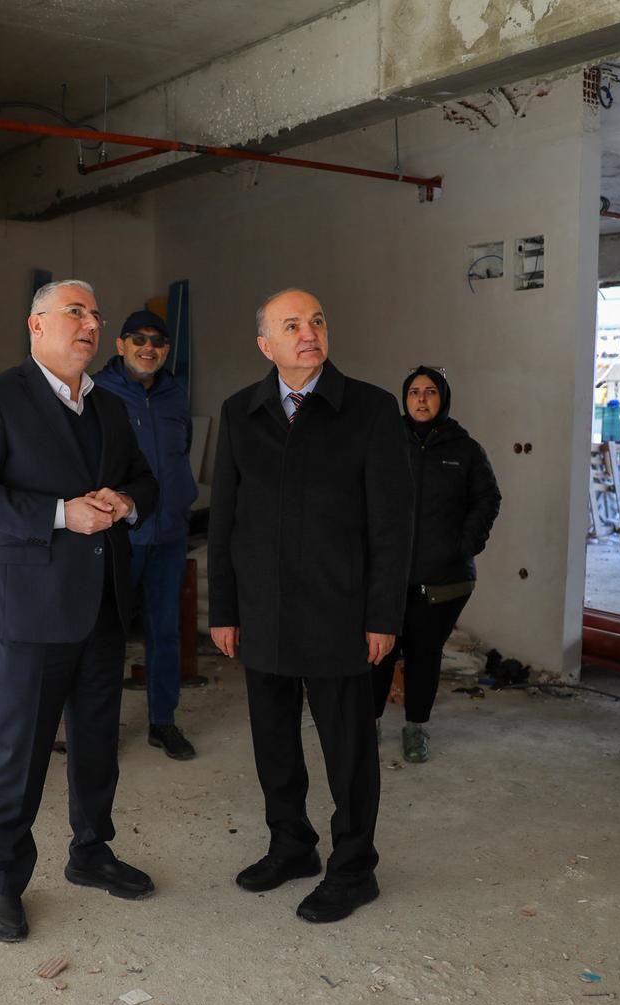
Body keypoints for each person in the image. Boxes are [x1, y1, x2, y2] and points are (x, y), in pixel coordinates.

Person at [0, 280, 160, 943]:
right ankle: (4, 878)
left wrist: (127, 502)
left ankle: (90, 852)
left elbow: (145, 481)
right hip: (31, 607)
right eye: (75, 311)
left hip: (102, 604)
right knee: (23, 751)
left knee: (96, 744)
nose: (89, 322)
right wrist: (61, 514)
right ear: (36, 325)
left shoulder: (110, 405)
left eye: (94, 314)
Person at [208, 288, 412, 923]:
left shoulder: (371, 410)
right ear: (265, 345)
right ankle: (291, 845)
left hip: (340, 613)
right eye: (292, 324)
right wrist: (224, 609)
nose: (309, 333)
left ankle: (354, 868)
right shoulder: (241, 413)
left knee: (348, 750)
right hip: (262, 612)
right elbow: (224, 520)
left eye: (317, 321)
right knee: (273, 741)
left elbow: (392, 526)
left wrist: (383, 616)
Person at [368, 366, 501, 763]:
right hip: (388, 575)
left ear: (443, 399)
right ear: (404, 399)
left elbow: (488, 499)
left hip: (443, 577)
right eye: (414, 392)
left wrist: (464, 545)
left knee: (425, 655)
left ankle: (416, 728)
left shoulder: (465, 449)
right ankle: (369, 722)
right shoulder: (385, 443)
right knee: (378, 652)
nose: (421, 399)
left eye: (430, 392)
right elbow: (359, 494)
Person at [93, 308, 199, 761]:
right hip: (119, 535)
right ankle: (98, 729)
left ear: (167, 350)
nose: (148, 347)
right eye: (138, 339)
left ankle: (163, 721)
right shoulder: (99, 391)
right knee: (106, 632)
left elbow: (181, 450)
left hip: (168, 534)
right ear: (120, 345)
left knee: (165, 630)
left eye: (157, 341)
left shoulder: (176, 395)